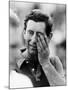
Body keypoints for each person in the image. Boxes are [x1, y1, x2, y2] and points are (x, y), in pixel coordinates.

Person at [16, 9, 66, 87]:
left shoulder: (54, 63)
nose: (34, 40)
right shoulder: (12, 61)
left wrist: (45, 63)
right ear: (24, 33)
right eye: (30, 32)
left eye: (39, 35)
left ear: (49, 37)